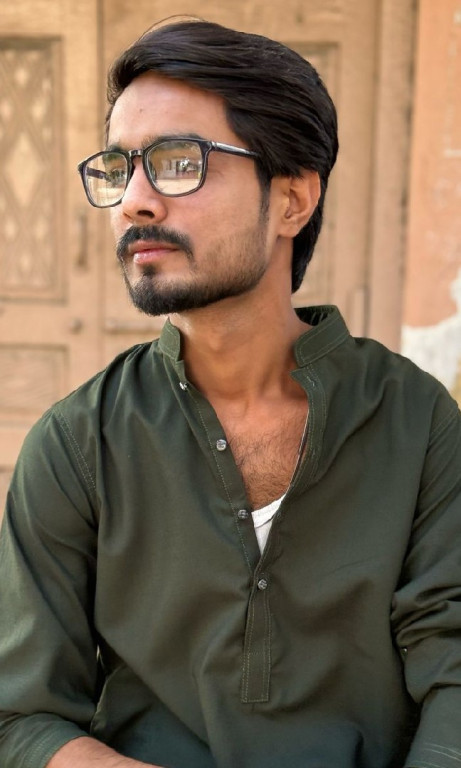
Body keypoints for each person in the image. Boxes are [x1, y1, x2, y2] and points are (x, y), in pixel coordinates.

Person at [0, 17, 460, 768]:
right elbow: (21, 713)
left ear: (292, 200)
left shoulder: (415, 421)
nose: (134, 201)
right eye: (120, 168)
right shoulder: (78, 441)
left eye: (178, 161)